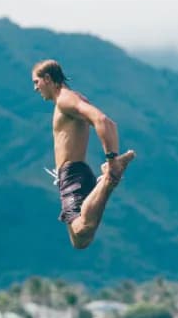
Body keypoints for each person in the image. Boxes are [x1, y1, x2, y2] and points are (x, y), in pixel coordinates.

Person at [32, 59, 135, 249]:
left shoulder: (65, 100)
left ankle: (108, 180)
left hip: (72, 172)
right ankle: (107, 179)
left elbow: (103, 121)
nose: (35, 88)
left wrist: (111, 159)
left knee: (82, 229)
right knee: (79, 241)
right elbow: (107, 123)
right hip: (72, 173)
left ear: (47, 78)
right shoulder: (68, 100)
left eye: (36, 82)